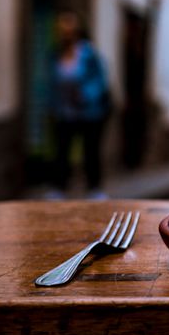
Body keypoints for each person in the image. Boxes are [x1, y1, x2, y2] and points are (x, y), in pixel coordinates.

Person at [50, 11, 111, 199]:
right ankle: (59, 187)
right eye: (63, 30)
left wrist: (86, 96)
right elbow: (52, 82)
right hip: (64, 112)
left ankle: (94, 188)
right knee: (62, 150)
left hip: (89, 112)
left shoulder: (88, 53)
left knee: (90, 150)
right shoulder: (55, 54)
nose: (66, 33)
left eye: (70, 29)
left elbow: (101, 80)